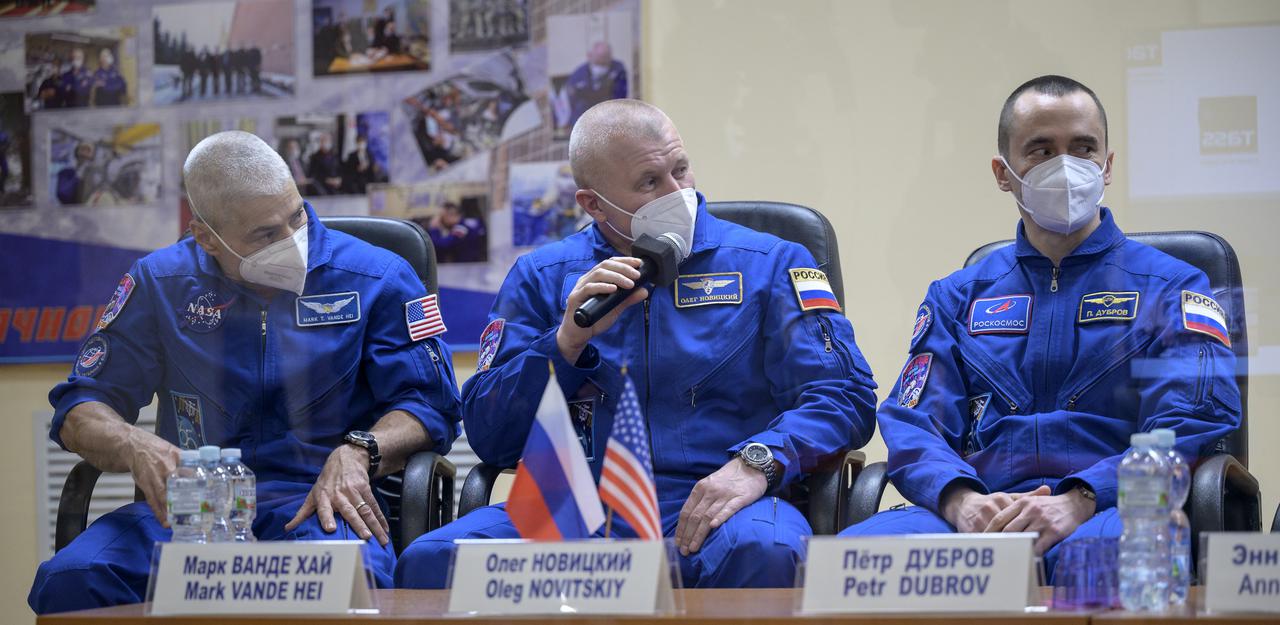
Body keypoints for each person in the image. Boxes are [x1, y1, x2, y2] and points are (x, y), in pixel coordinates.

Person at [395, 99, 878, 589]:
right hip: (576, 506)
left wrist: (758, 461)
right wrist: (564, 344)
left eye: (681, 170)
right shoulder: (542, 276)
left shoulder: (769, 262)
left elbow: (844, 397)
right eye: (650, 183)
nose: (678, 192)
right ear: (593, 203)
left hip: (717, 499)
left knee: (765, 551)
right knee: (433, 559)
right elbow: (489, 435)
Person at [28, 130, 462, 614]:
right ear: (206, 237)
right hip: (194, 509)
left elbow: (431, 405)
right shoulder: (161, 282)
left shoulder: (378, 276)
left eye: (296, 216)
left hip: (317, 503)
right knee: (71, 579)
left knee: (337, 579)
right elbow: (80, 407)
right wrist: (134, 444)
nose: (292, 241)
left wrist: (360, 450)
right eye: (264, 234)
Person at [838, 75, 1241, 574]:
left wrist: (1082, 498)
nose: (1066, 166)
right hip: (982, 507)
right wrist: (958, 499)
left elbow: (1188, 423)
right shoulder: (956, 296)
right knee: (855, 562)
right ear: (1003, 172)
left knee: (1097, 563)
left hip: (1112, 508)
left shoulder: (1174, 287)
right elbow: (915, 423)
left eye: (1083, 148)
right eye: (1041, 150)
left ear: (1108, 165)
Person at [564, 42, 628, 131]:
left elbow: (620, 97)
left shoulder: (618, 69)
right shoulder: (578, 76)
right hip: (585, 119)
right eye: (598, 62)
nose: (601, 66)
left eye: (604, 63)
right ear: (590, 56)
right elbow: (573, 101)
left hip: (610, 116)